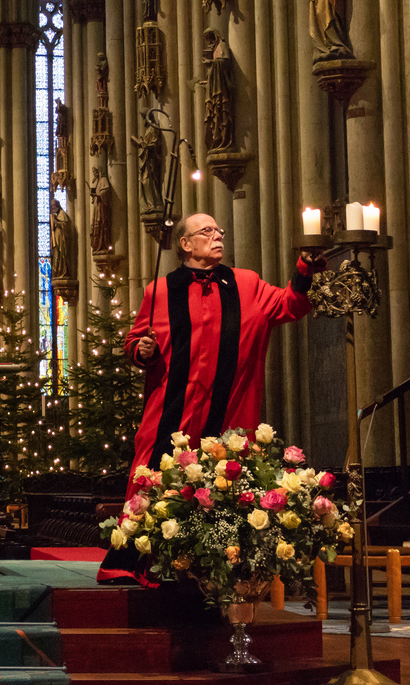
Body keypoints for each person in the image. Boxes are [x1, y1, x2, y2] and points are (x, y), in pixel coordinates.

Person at [98, 212, 323, 583]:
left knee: (222, 481)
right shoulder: (159, 291)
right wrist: (143, 348)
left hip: (229, 410)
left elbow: (290, 305)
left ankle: (216, 568)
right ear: (185, 244)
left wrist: (303, 270)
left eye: (220, 230)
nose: (217, 236)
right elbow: (134, 343)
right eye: (206, 231)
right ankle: (140, 563)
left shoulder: (247, 284)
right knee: (155, 477)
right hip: (171, 410)